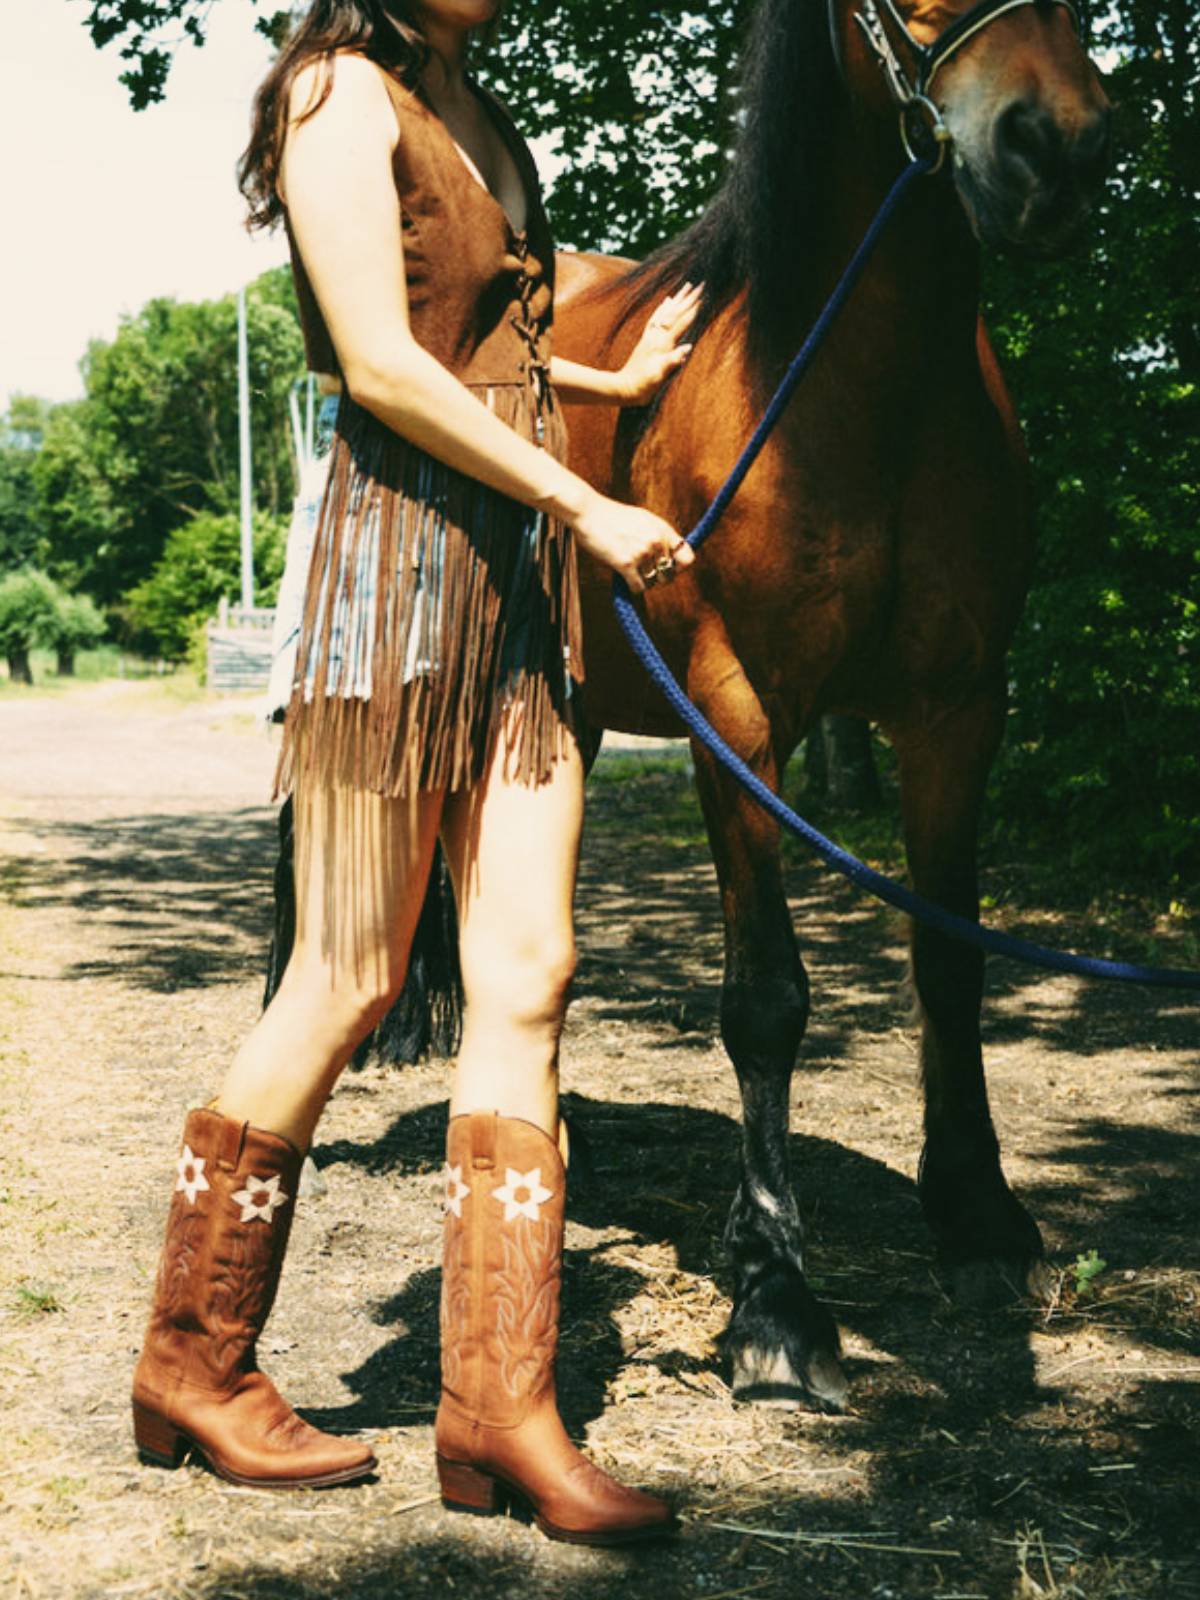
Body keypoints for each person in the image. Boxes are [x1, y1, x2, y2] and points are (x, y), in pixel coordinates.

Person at [131, 0, 697, 1547]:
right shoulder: (334, 96)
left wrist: (610, 396)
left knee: (531, 967)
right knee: (346, 974)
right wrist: (587, 505)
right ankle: (194, 1361)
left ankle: (497, 1411)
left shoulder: (484, 117)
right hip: (391, 574)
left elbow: (485, 351)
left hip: (513, 589)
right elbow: (380, 365)